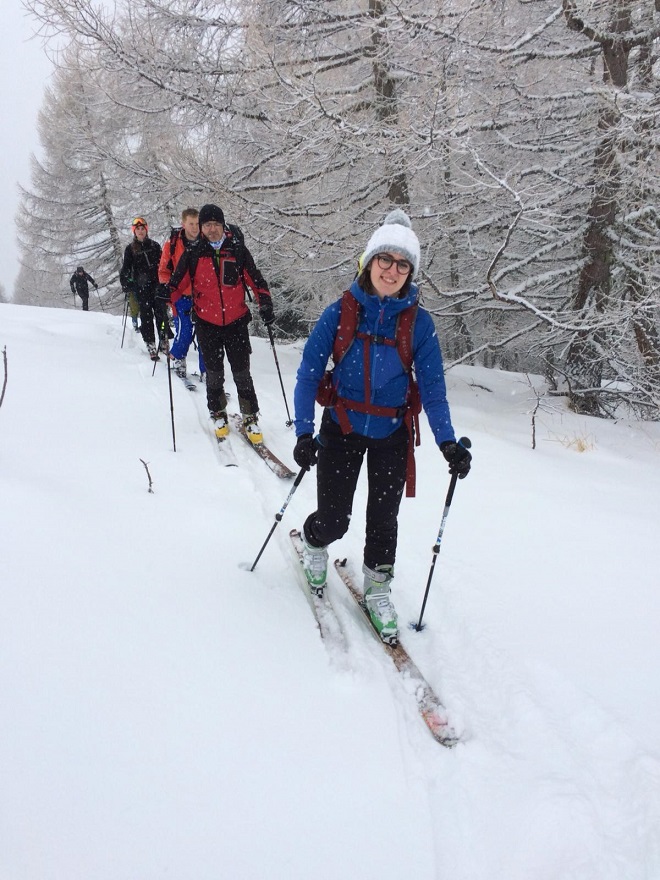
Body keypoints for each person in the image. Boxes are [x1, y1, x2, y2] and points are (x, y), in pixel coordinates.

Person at [292, 209, 472, 643]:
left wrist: (447, 442)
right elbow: (308, 374)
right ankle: (315, 544)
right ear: (368, 261)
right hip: (343, 427)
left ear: (410, 272)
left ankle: (378, 589)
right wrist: (302, 431)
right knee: (335, 518)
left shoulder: (419, 324)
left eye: (402, 264)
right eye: (385, 260)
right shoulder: (339, 314)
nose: (392, 270)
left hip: (392, 434)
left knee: (383, 519)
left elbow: (433, 387)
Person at [165, 203, 275, 444]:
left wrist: (265, 302)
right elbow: (175, 284)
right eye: (207, 225)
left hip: (236, 323)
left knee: (242, 373)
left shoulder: (237, 250)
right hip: (207, 324)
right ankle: (217, 413)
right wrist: (165, 301)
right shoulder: (193, 254)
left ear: (223, 225)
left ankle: (250, 416)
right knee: (214, 374)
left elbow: (256, 279)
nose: (211, 229)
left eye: (215, 224)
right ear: (201, 228)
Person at [158, 208, 206, 379]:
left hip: (203, 296)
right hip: (180, 295)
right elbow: (163, 270)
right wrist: (166, 288)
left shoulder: (205, 242)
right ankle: (178, 359)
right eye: (191, 223)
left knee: (205, 335)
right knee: (184, 330)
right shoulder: (172, 244)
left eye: (197, 224)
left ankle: (207, 370)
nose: (195, 227)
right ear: (183, 223)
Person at [119, 217, 167, 360]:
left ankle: (163, 339)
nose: (141, 231)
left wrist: (165, 282)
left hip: (157, 285)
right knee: (146, 316)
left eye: (143, 229)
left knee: (161, 314)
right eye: (138, 229)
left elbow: (163, 265)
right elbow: (126, 268)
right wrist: (126, 283)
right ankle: (150, 343)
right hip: (141, 288)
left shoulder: (155, 245)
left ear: (146, 230)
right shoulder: (130, 249)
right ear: (134, 232)